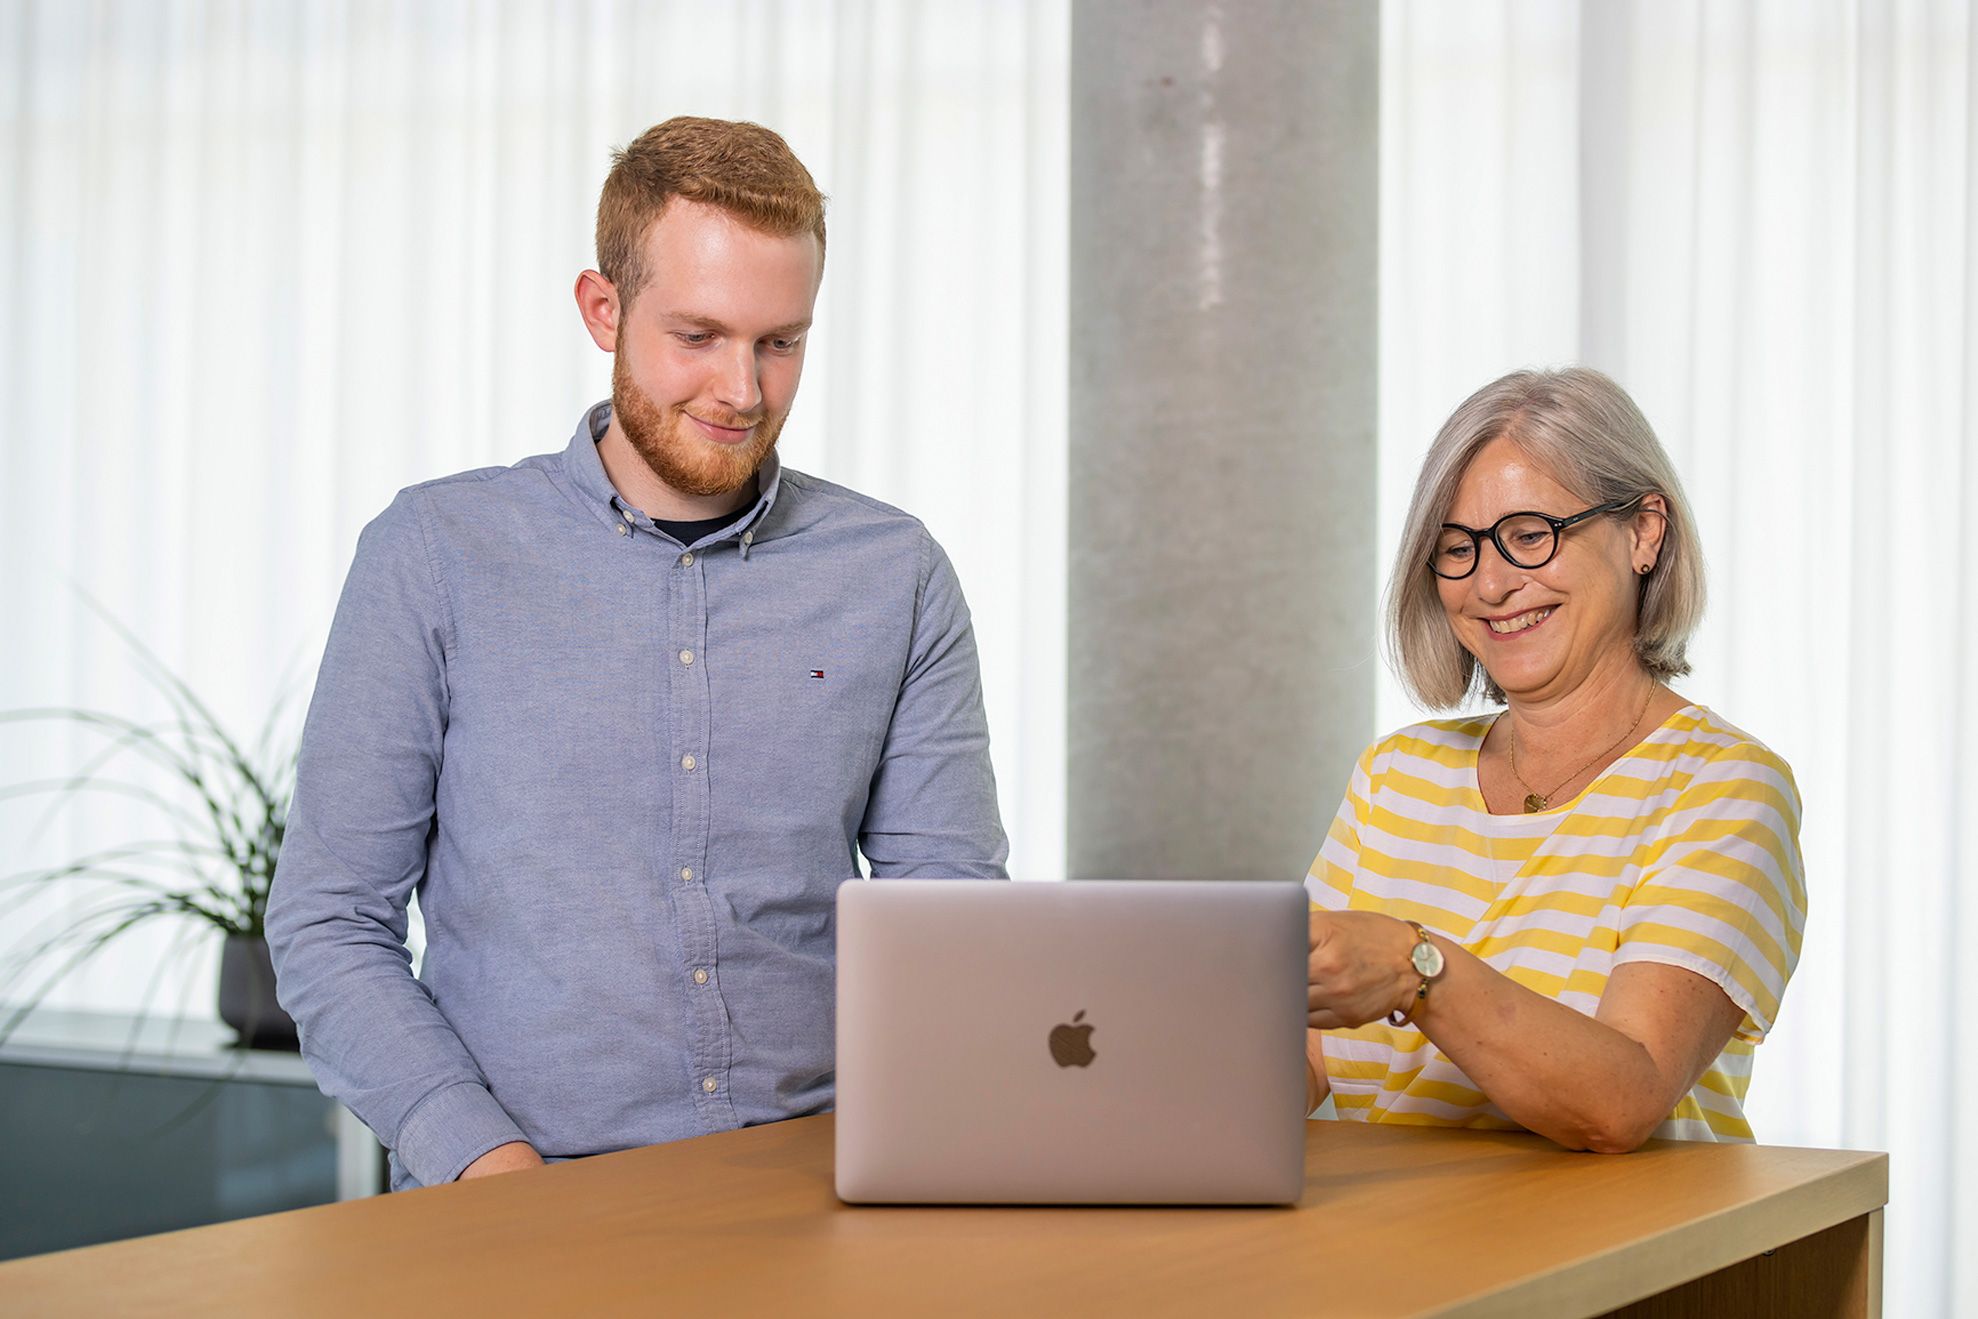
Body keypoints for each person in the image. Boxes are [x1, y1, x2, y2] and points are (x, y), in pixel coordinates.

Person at [267, 117, 1008, 1190]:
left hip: (825, 1185)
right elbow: (330, 921)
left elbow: (947, 913)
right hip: (520, 1197)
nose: (742, 390)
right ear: (602, 309)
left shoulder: (893, 571)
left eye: (780, 341)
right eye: (698, 336)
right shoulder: (435, 554)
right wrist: (487, 1165)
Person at [1303, 367, 1803, 1150]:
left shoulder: (1725, 790)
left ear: (1644, 531)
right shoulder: (1393, 779)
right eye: (1457, 548)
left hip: (1617, 1265)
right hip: (1388, 1254)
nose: (1493, 583)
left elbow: (1623, 1099)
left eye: (1530, 535)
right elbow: (1291, 1054)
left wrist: (1415, 966)